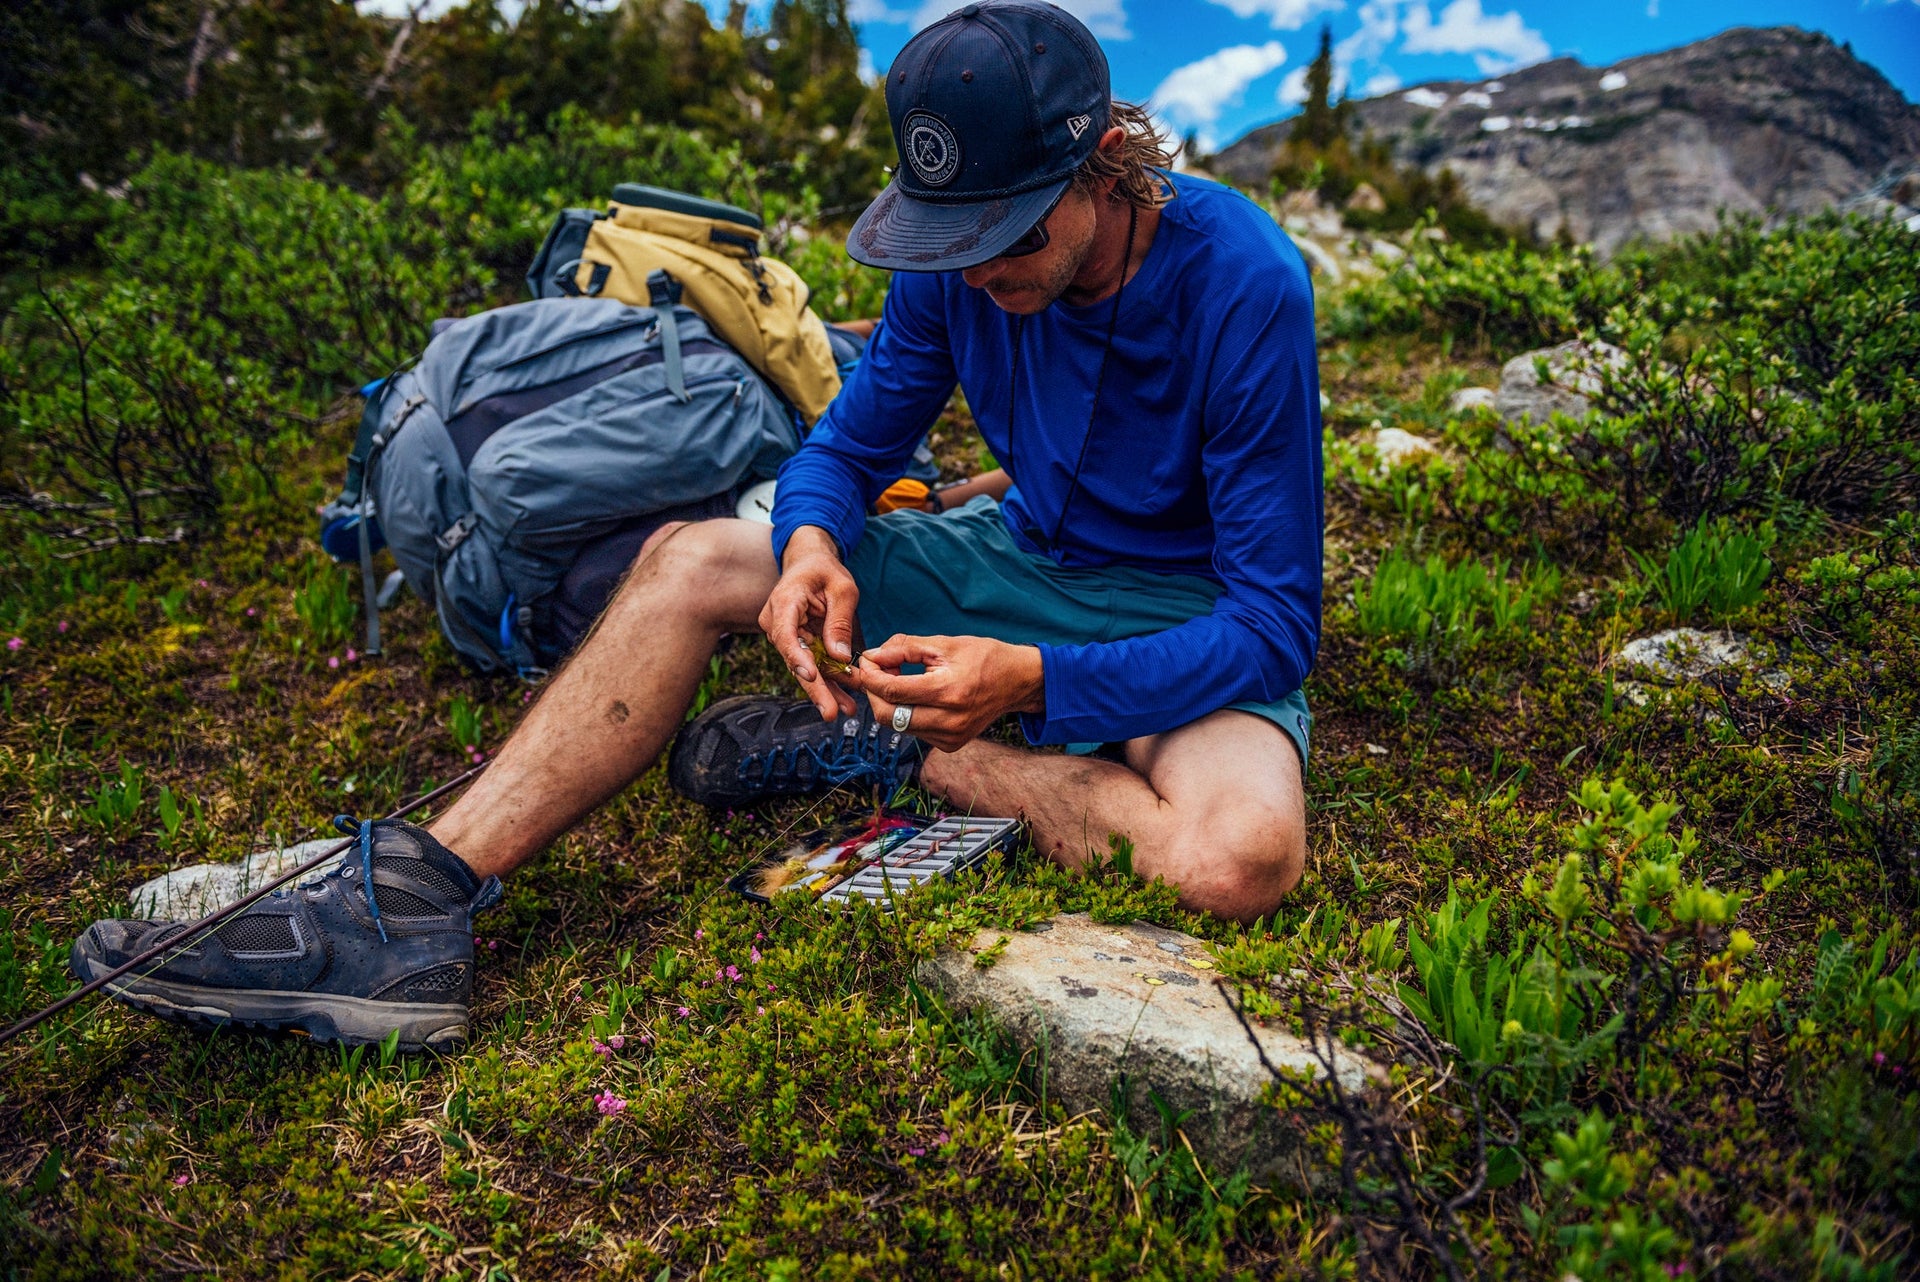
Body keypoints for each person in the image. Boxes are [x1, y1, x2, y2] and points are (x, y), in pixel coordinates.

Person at [70, 0, 1324, 1051]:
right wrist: (814, 544)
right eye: (957, 237)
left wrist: (1035, 680)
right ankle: (416, 897)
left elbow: (1272, 626)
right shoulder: (954, 273)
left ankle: (924, 754)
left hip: (1184, 606)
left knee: (1238, 856)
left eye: (1010, 232)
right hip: (1023, 560)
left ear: (1107, 160)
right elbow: (848, 442)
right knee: (695, 554)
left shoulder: (1243, 282)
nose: (982, 267)